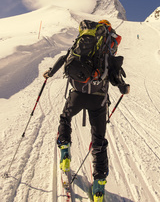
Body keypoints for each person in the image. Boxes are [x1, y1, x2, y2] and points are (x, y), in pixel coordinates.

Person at [43, 19, 130, 200]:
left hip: (77, 94)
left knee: (65, 118)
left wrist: (50, 73)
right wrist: (124, 87)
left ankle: (65, 152)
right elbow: (117, 81)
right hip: (98, 101)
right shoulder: (108, 52)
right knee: (99, 141)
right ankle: (98, 187)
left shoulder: (83, 45)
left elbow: (63, 59)